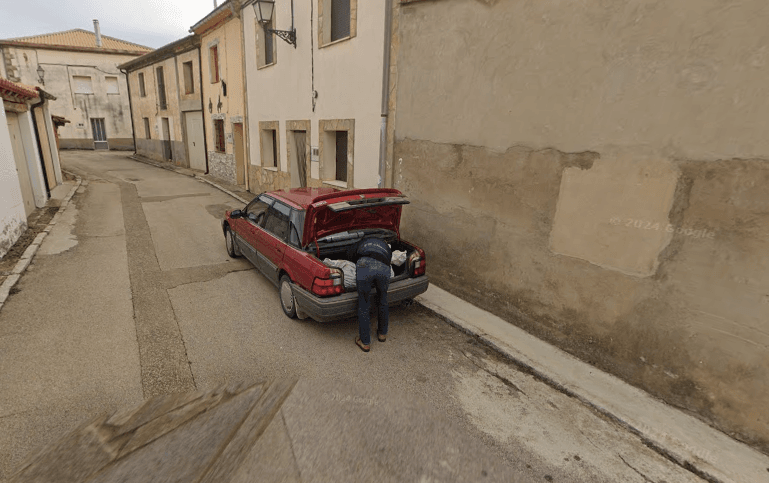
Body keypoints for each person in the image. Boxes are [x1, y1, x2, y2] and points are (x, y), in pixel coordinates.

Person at [347, 236, 392, 352]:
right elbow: (389, 259)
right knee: (383, 299)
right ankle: (382, 334)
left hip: (365, 265)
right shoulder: (385, 245)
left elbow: (350, 255)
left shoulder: (362, 242)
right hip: (384, 268)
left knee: (364, 304)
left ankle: (365, 342)